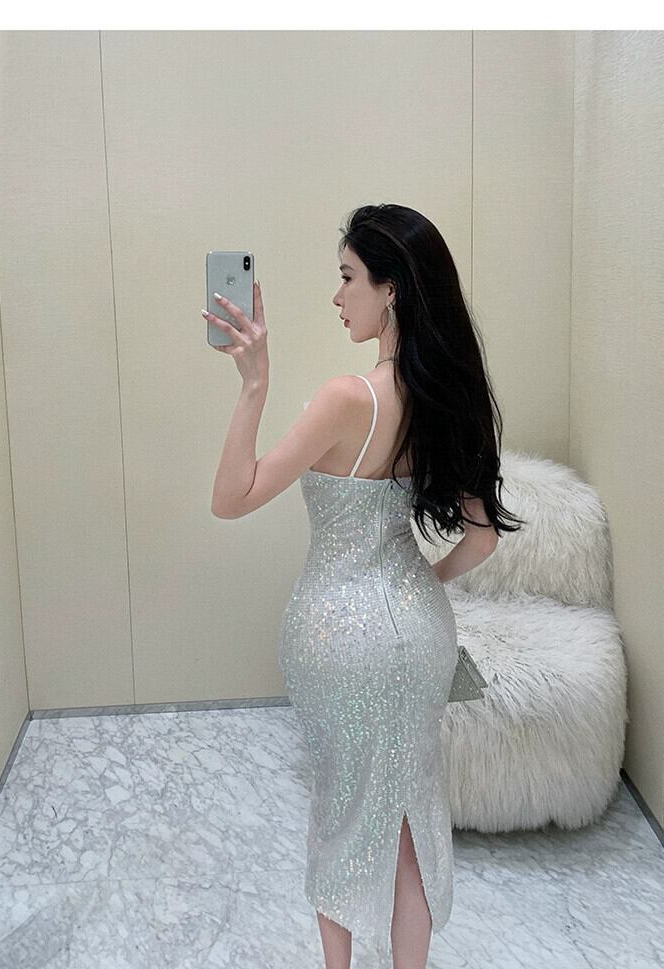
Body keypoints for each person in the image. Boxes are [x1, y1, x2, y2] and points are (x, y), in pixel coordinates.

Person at [207, 203, 523, 969]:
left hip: (339, 635)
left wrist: (253, 384)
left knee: (342, 808)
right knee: (414, 813)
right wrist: (419, 586)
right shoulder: (449, 397)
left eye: (348, 277)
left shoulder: (348, 398)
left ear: (392, 289)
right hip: (421, 631)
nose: (337, 295)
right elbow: (481, 538)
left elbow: (232, 497)